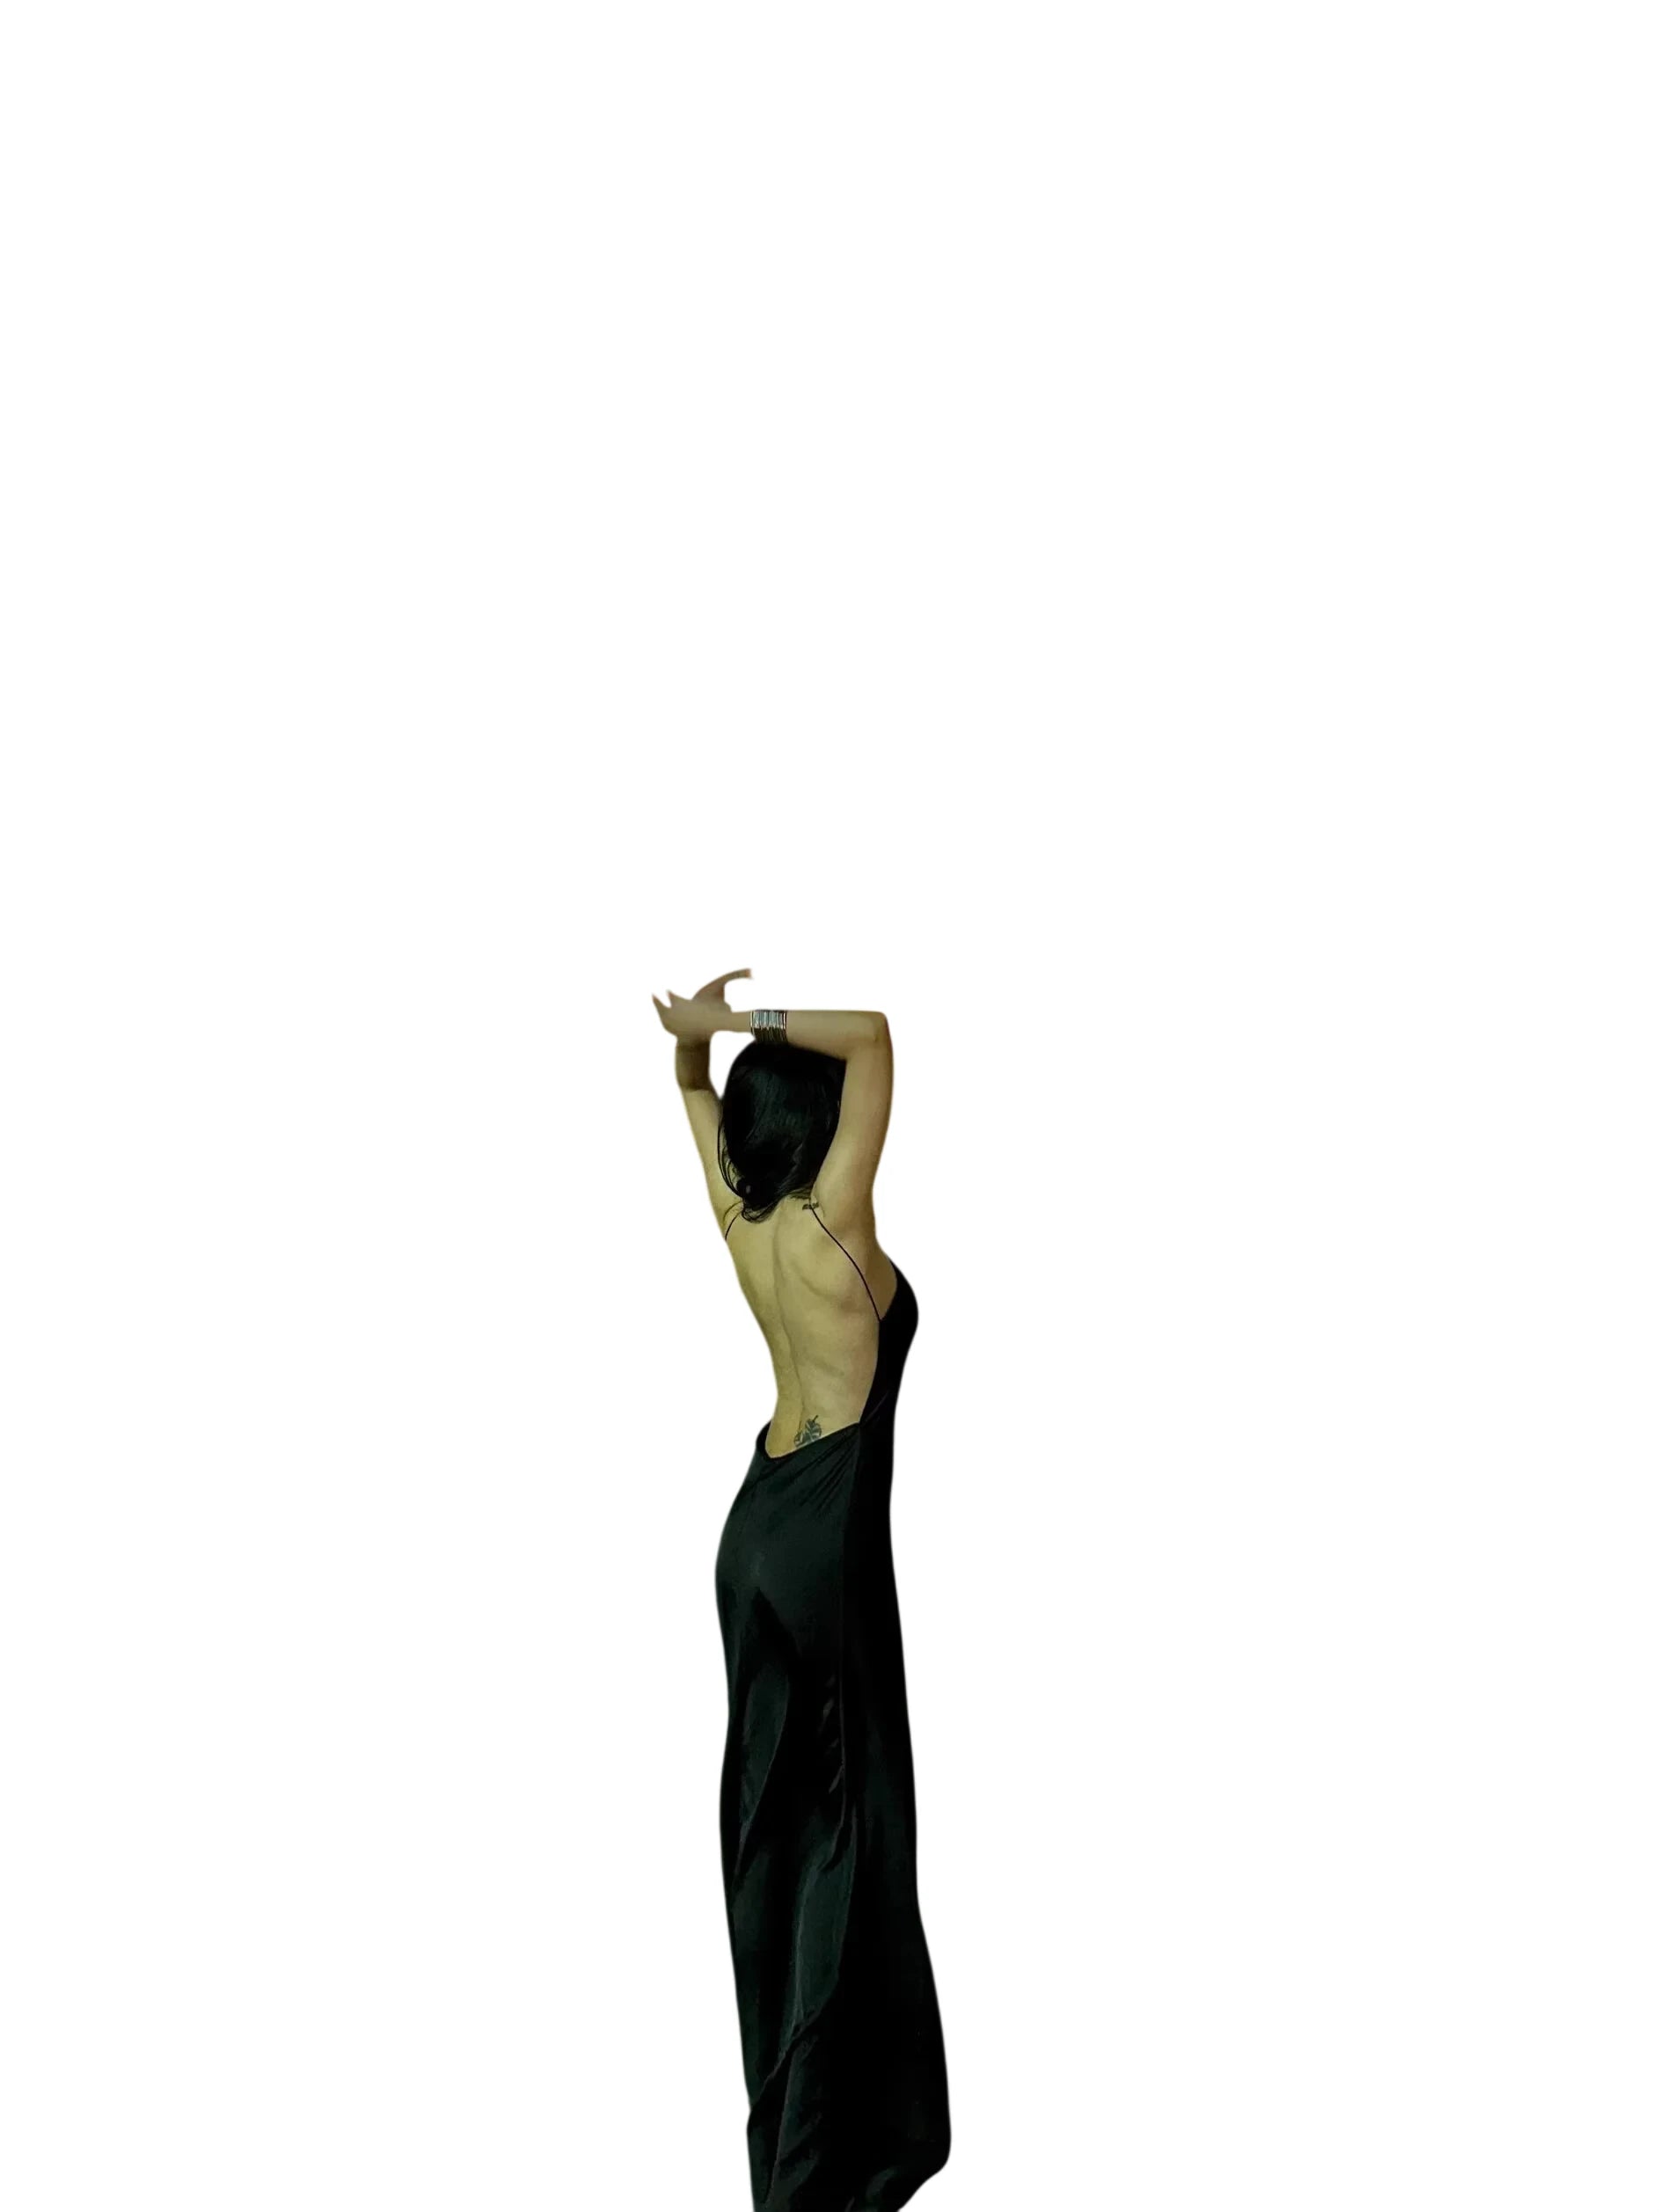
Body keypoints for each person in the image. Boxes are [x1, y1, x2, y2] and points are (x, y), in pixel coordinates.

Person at [652, 973, 952, 2212]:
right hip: (824, 1548)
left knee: (773, 1824)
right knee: (847, 1834)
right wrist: (739, 1022)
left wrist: (693, 1050)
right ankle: (822, 2164)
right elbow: (873, 1034)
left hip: (752, 1534)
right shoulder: (837, 1229)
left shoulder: (750, 1221)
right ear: (818, 1121)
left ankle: (797, 2125)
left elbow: (690, 1090)